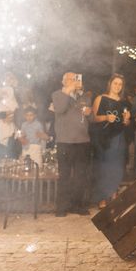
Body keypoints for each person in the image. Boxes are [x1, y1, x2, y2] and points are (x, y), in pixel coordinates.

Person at [51, 72, 93, 217]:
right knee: (65, 176)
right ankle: (61, 207)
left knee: (80, 176)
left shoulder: (85, 96)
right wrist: (68, 92)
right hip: (65, 141)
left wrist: (89, 113)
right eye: (69, 79)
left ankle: (78, 205)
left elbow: (91, 118)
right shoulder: (57, 95)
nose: (72, 81)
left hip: (82, 141)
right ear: (63, 82)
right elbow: (60, 109)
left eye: (74, 79)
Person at [91, 74, 131, 209]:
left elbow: (126, 123)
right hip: (104, 138)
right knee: (105, 167)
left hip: (119, 137)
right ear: (110, 84)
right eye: (115, 83)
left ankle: (113, 195)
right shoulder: (100, 98)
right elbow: (93, 118)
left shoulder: (125, 102)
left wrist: (126, 120)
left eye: (120, 84)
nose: (117, 86)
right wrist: (106, 118)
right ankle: (103, 197)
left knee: (118, 166)